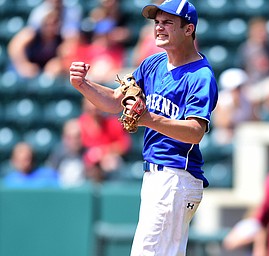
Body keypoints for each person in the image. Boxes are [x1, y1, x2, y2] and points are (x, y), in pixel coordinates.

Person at [69, 0, 218, 255]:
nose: (159, 28)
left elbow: (195, 131)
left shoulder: (200, 76)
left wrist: (149, 118)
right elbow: (116, 101)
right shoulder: (153, 64)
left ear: (188, 29)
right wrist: (84, 85)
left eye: (168, 22)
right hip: (158, 176)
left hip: (175, 175)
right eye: (157, 22)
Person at [79, 98, 132, 183]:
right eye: (90, 108)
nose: (94, 111)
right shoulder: (79, 124)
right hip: (84, 161)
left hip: (107, 159)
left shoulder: (113, 123)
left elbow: (124, 145)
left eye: (96, 107)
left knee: (112, 163)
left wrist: (102, 152)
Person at [7, 9, 63, 79]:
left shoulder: (60, 39)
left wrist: (57, 63)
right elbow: (15, 46)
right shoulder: (32, 34)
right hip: (23, 70)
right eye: (47, 24)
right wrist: (23, 65)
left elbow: (65, 56)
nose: (51, 27)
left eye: (54, 23)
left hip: (45, 71)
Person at [46, 118, 87, 188]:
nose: (75, 141)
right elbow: (50, 174)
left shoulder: (87, 153)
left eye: (77, 137)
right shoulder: (58, 154)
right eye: (70, 137)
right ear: (64, 138)